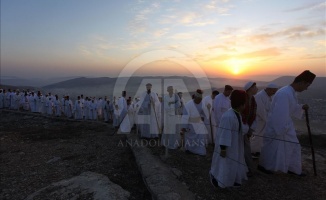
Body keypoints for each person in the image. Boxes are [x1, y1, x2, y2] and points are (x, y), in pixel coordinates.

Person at [259, 70, 316, 176]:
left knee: (292, 147)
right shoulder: (284, 93)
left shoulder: (290, 92)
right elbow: (279, 114)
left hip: (285, 126)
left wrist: (301, 107)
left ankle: (292, 168)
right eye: (306, 85)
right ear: (301, 82)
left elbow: (292, 108)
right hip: (280, 127)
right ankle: (265, 166)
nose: (306, 88)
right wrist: (282, 130)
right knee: (274, 148)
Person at [209, 90, 249, 188]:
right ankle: (219, 180)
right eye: (244, 103)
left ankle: (232, 179)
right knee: (224, 164)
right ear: (240, 104)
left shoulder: (236, 114)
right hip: (227, 147)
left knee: (233, 163)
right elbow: (224, 133)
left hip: (235, 146)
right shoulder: (228, 116)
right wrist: (223, 148)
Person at [251, 83, 278, 157]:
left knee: (261, 137)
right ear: (268, 89)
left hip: (264, 120)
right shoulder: (260, 96)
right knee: (257, 136)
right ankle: (252, 152)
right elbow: (260, 110)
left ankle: (257, 151)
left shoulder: (268, 96)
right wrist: (269, 120)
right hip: (259, 120)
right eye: (273, 91)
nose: (274, 93)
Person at [181, 89, 208, 156]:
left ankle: (200, 151)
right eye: (199, 99)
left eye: (201, 99)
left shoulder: (202, 104)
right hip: (191, 124)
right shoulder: (189, 104)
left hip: (199, 124)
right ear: (195, 97)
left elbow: (205, 113)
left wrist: (207, 110)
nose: (200, 100)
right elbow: (185, 116)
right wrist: (184, 126)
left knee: (200, 137)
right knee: (190, 138)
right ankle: (189, 149)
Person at [241, 81, 258, 176]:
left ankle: (248, 168)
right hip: (241, 128)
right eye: (255, 87)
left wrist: (251, 129)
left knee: (245, 147)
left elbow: (253, 115)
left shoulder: (253, 100)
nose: (257, 89)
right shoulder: (243, 99)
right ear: (250, 89)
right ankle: (248, 168)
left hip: (247, 128)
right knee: (244, 148)